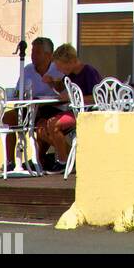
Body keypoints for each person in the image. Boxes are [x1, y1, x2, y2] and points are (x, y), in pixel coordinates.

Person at [36, 43, 102, 172]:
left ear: (71, 61)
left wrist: (73, 98)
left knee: (54, 124)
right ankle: (68, 157)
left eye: (61, 66)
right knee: (42, 126)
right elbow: (62, 88)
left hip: (88, 113)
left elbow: (97, 98)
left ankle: (63, 161)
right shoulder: (70, 75)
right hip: (75, 111)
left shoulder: (88, 72)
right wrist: (52, 83)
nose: (59, 70)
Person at [3, 36, 63, 169]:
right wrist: (19, 95)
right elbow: (18, 91)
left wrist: (53, 83)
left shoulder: (58, 69)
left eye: (37, 52)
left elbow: (64, 91)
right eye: (32, 51)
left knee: (42, 125)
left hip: (53, 107)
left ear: (48, 55)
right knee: (8, 117)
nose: (33, 55)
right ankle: (10, 162)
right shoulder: (28, 70)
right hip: (31, 107)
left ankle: (44, 158)